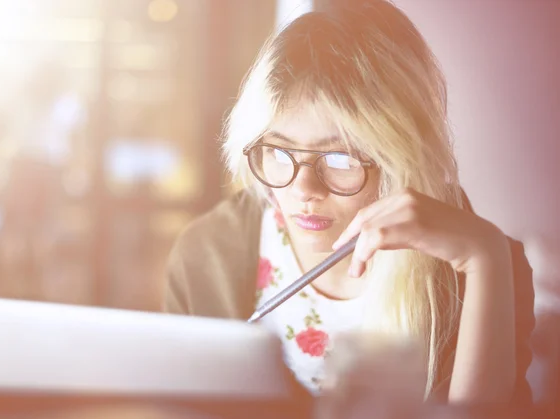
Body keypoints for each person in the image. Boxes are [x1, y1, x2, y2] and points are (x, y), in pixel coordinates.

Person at [162, 0, 534, 406]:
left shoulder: (485, 265)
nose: (304, 189)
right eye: (279, 151)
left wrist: (486, 259)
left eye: (340, 158)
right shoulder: (206, 252)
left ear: (402, 155)